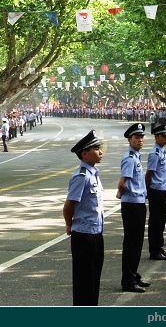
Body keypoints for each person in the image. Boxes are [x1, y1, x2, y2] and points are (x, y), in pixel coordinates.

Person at [63, 130, 105, 305]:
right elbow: (68, 206)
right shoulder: (81, 177)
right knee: (84, 283)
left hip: (96, 234)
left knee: (93, 280)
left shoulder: (93, 174)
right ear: (85, 154)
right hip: (84, 236)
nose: (100, 152)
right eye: (96, 149)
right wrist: (69, 225)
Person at [116, 122, 150, 292]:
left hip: (138, 202)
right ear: (129, 140)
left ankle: (133, 274)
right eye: (136, 137)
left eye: (142, 137)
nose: (140, 140)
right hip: (131, 204)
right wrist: (120, 194)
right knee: (132, 243)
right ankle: (128, 280)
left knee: (137, 242)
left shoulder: (136, 156)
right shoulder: (130, 158)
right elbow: (122, 183)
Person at [146, 124, 166, 260]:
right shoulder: (154, 154)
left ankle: (159, 247)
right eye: (163, 136)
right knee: (155, 222)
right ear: (156, 137)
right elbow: (149, 174)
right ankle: (154, 250)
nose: (165, 138)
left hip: (163, 189)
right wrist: (147, 190)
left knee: (161, 220)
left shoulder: (162, 151)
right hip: (156, 191)